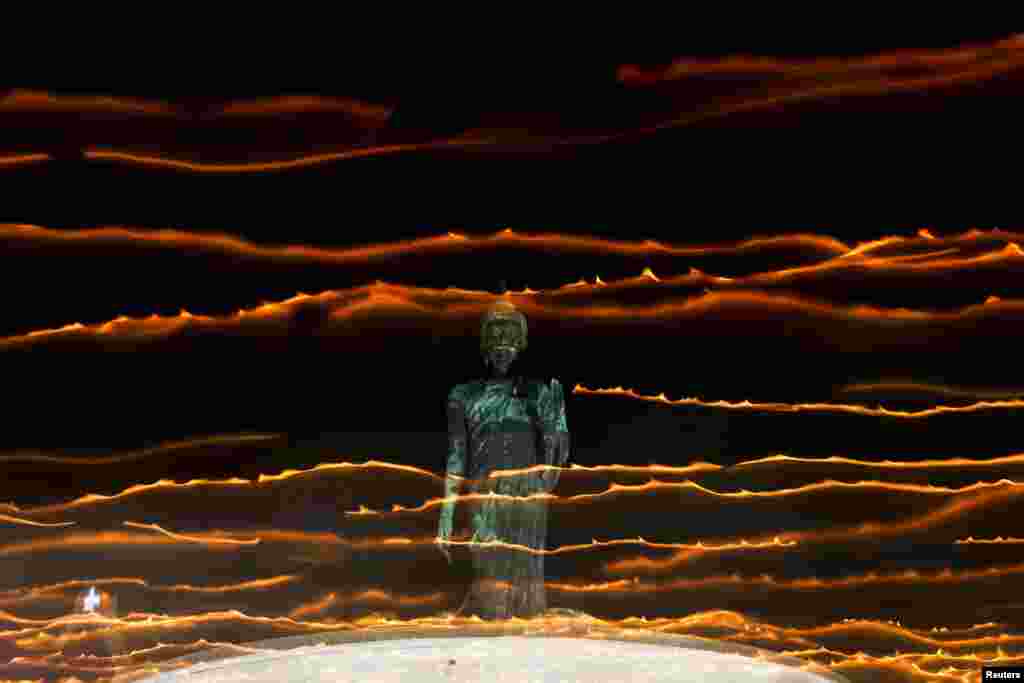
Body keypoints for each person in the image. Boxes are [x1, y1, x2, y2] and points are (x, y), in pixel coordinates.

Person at [436, 297, 570, 619]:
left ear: (519, 344)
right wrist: (446, 514)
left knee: (526, 588)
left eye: (509, 342)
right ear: (485, 344)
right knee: (490, 581)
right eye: (496, 341)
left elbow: (555, 454)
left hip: (527, 494)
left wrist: (556, 425)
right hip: (485, 494)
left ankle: (524, 640)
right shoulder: (463, 396)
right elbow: (457, 456)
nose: (502, 350)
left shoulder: (536, 393)